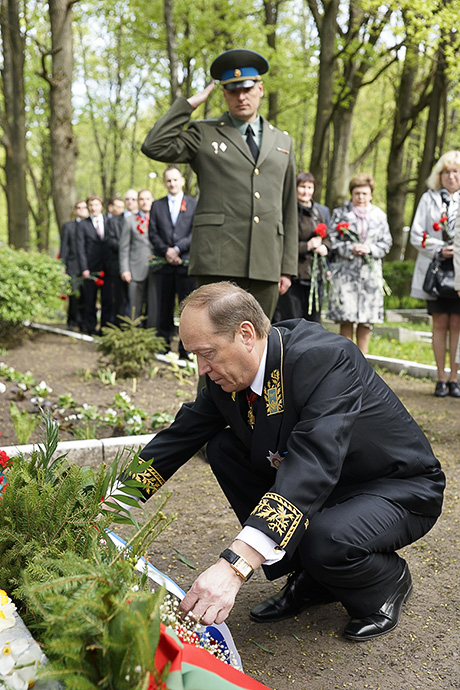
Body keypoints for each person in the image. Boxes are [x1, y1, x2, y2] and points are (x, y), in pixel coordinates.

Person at [114, 282, 444, 642]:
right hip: (330, 485)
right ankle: (313, 576)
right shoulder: (227, 375)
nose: (201, 368)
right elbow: (178, 439)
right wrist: (107, 506)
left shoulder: (324, 359)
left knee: (325, 538)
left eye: (206, 353)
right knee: (223, 447)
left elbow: (313, 462)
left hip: (397, 488)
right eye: (195, 355)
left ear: (246, 334)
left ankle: (385, 581)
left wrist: (235, 565)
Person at [141, 48, 298, 320]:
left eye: (247, 89)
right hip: (218, 257)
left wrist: (287, 266)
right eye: (232, 90)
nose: (241, 97)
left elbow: (288, 205)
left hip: (266, 261)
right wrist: (188, 105)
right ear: (223, 93)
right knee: (213, 341)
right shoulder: (204, 133)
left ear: (260, 89)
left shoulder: (283, 142)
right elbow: (154, 145)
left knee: (258, 344)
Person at [410, 151, 460, 398]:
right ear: (438, 175)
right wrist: (441, 248)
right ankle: (441, 377)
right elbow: (416, 235)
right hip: (436, 270)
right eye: (446, 172)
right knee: (439, 323)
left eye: (455, 171)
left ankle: (455, 377)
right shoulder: (429, 199)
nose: (451, 176)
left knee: (458, 325)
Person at [327, 173, 392, 354]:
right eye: (357, 193)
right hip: (346, 275)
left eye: (364, 193)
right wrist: (351, 248)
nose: (361, 197)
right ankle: (347, 362)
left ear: (371, 194)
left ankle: (363, 362)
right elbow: (332, 241)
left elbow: (386, 243)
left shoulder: (379, 216)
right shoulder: (340, 214)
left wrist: (370, 249)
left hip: (370, 277)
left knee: (366, 321)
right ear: (352, 194)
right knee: (346, 319)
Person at [149, 166, 197, 358]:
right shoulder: (157, 205)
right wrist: (167, 251)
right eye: (168, 180)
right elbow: (152, 232)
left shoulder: (193, 204)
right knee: (163, 306)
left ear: (182, 181)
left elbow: (195, 232)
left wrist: (177, 249)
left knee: (187, 308)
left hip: (185, 263)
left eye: (175, 180)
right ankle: (163, 345)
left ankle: (187, 350)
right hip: (163, 265)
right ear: (164, 183)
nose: (172, 184)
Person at [273, 172, 331, 324]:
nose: (306, 191)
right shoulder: (286, 212)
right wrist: (308, 246)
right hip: (293, 275)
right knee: (292, 320)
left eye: (309, 187)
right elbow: (281, 244)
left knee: (314, 323)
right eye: (302, 187)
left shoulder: (320, 212)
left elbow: (328, 238)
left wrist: (325, 247)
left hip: (314, 276)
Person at [119, 189, 156, 327]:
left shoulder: (159, 219)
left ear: (152, 201)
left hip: (156, 269)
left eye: (148, 199)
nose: (145, 202)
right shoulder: (129, 221)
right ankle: (135, 337)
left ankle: (152, 336)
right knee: (135, 306)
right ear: (138, 202)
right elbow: (124, 247)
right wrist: (125, 269)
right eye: (141, 199)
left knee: (154, 306)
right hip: (135, 269)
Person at [76, 195, 112, 335]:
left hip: (108, 268)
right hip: (90, 268)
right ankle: (90, 328)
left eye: (96, 205)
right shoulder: (82, 225)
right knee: (90, 299)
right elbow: (80, 248)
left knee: (107, 299)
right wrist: (84, 268)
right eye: (91, 205)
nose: (93, 208)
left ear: (101, 206)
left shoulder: (109, 221)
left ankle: (104, 328)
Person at [59, 199, 89, 330]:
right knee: (74, 294)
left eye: (84, 207)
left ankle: (83, 322)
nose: (82, 210)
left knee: (86, 295)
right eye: (79, 207)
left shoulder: (91, 226)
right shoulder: (68, 226)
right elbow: (64, 247)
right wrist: (62, 265)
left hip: (89, 266)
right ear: (75, 210)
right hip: (73, 265)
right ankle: (72, 321)